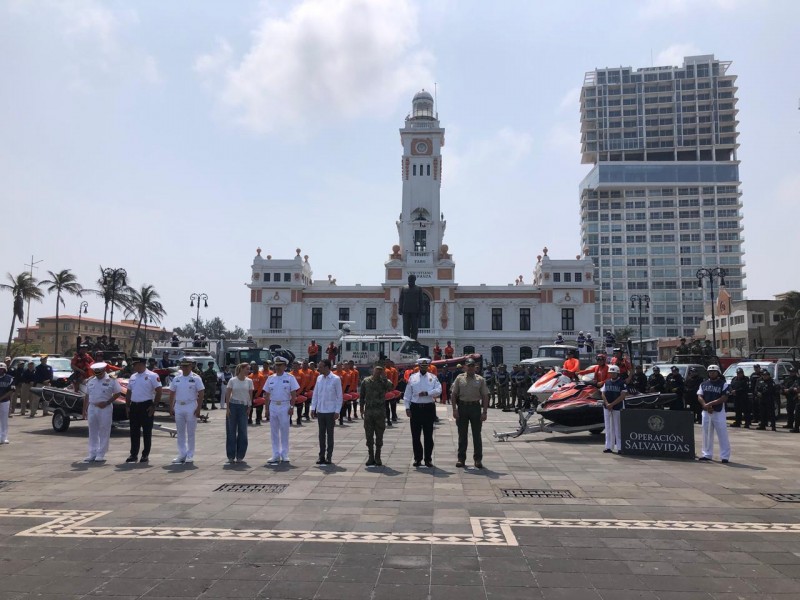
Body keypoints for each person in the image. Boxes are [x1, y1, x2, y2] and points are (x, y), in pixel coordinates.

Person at [451, 358, 489, 469]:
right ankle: (461, 459)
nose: (470, 367)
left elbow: (485, 396)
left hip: (475, 408)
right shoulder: (459, 378)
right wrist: (454, 409)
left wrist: (484, 412)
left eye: (472, 366)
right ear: (465, 367)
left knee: (477, 435)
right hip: (462, 407)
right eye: (468, 365)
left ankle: (478, 460)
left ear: (475, 367)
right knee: (462, 435)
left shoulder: (480, 379)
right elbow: (453, 394)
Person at [403, 358, 442, 468]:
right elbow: (407, 395)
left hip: (428, 408)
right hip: (415, 408)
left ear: (428, 366)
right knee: (415, 436)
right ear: (419, 366)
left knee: (428, 436)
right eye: (422, 366)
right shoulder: (412, 377)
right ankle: (417, 458)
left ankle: (428, 459)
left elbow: (439, 390)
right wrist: (407, 408)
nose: (424, 368)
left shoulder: (433, 377)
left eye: (426, 366)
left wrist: (428, 393)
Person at [80, 362, 122, 462]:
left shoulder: (111, 379)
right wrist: (84, 410)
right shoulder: (91, 380)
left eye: (99, 373)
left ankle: (101, 453)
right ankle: (92, 452)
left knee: (104, 429)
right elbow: (87, 395)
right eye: (96, 373)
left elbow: (118, 393)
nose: (97, 375)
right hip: (92, 407)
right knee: (92, 430)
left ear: (104, 371)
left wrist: (107, 402)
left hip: (105, 407)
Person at [124, 356, 162, 464]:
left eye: (135, 365)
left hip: (146, 405)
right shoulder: (133, 376)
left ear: (141, 364)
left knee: (146, 432)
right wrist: (127, 406)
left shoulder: (152, 376)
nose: (134, 367)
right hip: (134, 406)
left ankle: (145, 455)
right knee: (134, 431)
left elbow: (159, 391)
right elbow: (129, 392)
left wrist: (154, 405)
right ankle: (133, 454)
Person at [168, 359, 205, 464]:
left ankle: (190, 454)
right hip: (179, 405)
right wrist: (171, 407)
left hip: (191, 405)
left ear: (191, 366)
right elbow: (172, 393)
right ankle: (182, 454)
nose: (184, 368)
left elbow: (201, 393)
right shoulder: (177, 378)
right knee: (180, 432)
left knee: (191, 432)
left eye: (187, 366)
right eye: (183, 366)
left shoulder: (196, 378)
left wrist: (198, 408)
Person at [264, 356, 299, 464]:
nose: (278, 367)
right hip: (273, 405)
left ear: (285, 366)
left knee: (284, 430)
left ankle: (284, 453)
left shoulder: (290, 378)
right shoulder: (270, 378)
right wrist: (266, 409)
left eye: (280, 365)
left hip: (285, 405)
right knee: (274, 431)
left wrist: (292, 407)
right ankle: (275, 454)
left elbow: (294, 395)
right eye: (276, 365)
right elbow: (267, 394)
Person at [359, 363, 393, 466]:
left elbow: (391, 387)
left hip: (380, 412)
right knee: (369, 435)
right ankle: (370, 456)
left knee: (379, 435)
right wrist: (361, 408)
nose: (378, 372)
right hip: (369, 411)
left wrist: (385, 377)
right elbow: (362, 396)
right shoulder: (366, 381)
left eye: (380, 370)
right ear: (373, 370)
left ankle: (378, 457)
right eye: (376, 370)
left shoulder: (383, 382)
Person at [311, 359, 342, 465]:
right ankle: (321, 456)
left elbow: (339, 397)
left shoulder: (335, 379)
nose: (318, 368)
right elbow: (315, 394)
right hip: (320, 410)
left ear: (327, 367)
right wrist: (313, 408)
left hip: (331, 411)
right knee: (321, 435)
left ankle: (329, 456)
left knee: (330, 435)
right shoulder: (319, 378)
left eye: (320, 366)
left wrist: (337, 411)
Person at [697, 365, 731, 463]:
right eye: (710, 372)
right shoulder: (703, 384)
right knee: (706, 433)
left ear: (718, 373)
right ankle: (707, 454)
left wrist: (711, 404)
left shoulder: (723, 384)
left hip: (718, 412)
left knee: (722, 434)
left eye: (714, 371)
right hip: (706, 412)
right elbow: (699, 396)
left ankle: (725, 456)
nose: (712, 373)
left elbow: (724, 398)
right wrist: (705, 405)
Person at [225, 363, 254, 463]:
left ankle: (240, 455)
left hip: (244, 406)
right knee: (231, 431)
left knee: (243, 431)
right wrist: (227, 407)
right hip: (233, 405)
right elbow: (228, 393)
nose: (248, 371)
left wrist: (249, 407)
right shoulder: (232, 380)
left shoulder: (249, 381)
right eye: (247, 369)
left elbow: (250, 395)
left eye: (249, 369)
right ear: (241, 369)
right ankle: (231, 455)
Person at [601, 364, 626, 454]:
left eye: (613, 373)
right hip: (607, 407)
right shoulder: (607, 382)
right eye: (610, 373)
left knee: (617, 427)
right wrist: (607, 404)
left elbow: (622, 396)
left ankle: (619, 447)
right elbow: (603, 393)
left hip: (617, 407)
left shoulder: (621, 383)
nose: (612, 374)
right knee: (608, 427)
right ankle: (608, 446)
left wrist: (612, 404)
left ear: (617, 373)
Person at [399, 274, 424, 339]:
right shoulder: (404, 288)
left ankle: (413, 341)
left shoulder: (418, 288)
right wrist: (400, 309)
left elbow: (421, 301)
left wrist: (421, 311)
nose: (410, 281)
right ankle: (406, 340)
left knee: (414, 328)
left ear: (414, 280)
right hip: (405, 311)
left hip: (415, 311)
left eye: (412, 279)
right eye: (409, 279)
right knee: (405, 327)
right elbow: (401, 299)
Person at [248, 361, 267, 426]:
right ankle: (249, 419)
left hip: (258, 393)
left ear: (258, 368)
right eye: (253, 367)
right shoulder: (250, 376)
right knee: (250, 406)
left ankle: (258, 419)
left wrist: (257, 394)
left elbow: (261, 386)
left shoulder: (261, 376)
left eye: (256, 367)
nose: (255, 369)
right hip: (251, 392)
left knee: (259, 407)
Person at [384, 358, 401, 425]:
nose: (387, 363)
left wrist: (393, 388)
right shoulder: (383, 370)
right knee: (386, 405)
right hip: (385, 390)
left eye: (388, 362)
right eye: (386, 362)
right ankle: (387, 417)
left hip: (392, 389)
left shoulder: (393, 370)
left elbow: (395, 379)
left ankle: (394, 415)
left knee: (393, 404)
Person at [0, 363, 14, 444]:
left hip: (5, 401)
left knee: (4, 420)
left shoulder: (10, 378)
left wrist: (1, 398)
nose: (0, 370)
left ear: (5, 369)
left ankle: (4, 437)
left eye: (2, 368)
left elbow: (11, 390)